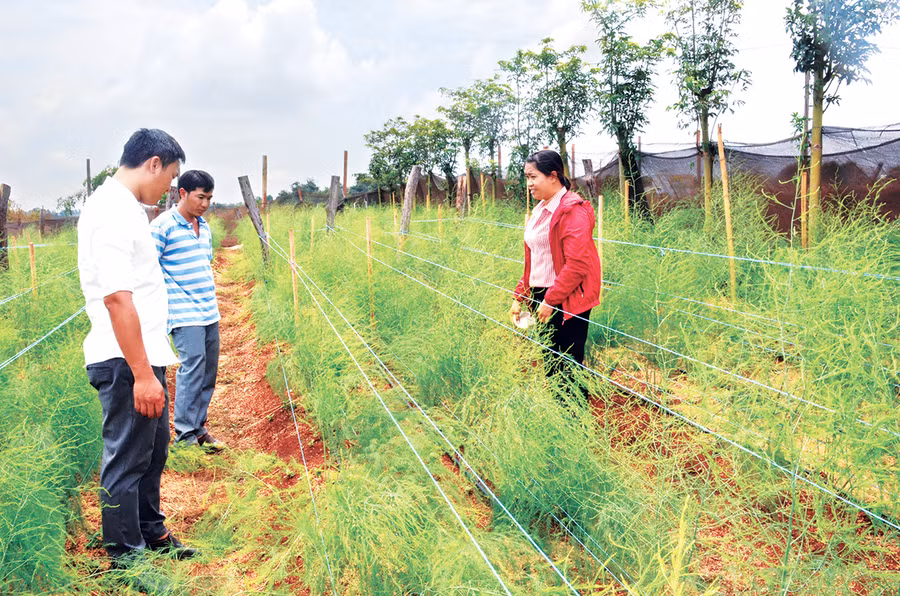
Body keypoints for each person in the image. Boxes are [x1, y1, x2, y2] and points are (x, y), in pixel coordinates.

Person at [78, 129, 196, 588]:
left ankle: (150, 531)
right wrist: (144, 375)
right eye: (170, 176)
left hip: (143, 358)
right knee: (127, 459)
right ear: (153, 164)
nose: (169, 187)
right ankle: (127, 561)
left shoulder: (128, 210)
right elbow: (117, 300)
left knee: (152, 451)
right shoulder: (109, 212)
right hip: (126, 360)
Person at [511, 149, 602, 393]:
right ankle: (561, 419)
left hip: (566, 299)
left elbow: (577, 264)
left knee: (569, 368)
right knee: (551, 363)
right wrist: (520, 295)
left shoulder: (572, 211)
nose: (528, 183)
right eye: (526, 177)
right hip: (543, 297)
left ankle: (577, 422)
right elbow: (536, 257)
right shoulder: (542, 209)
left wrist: (551, 300)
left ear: (553, 176)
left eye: (532, 177)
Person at [150, 170, 223, 451]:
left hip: (209, 311)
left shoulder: (203, 227)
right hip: (182, 312)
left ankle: (199, 427)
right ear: (182, 193)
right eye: (200, 197)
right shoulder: (162, 226)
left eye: (209, 198)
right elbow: (148, 269)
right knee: (192, 369)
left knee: (208, 372)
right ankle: (184, 435)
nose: (205, 203)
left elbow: (204, 264)